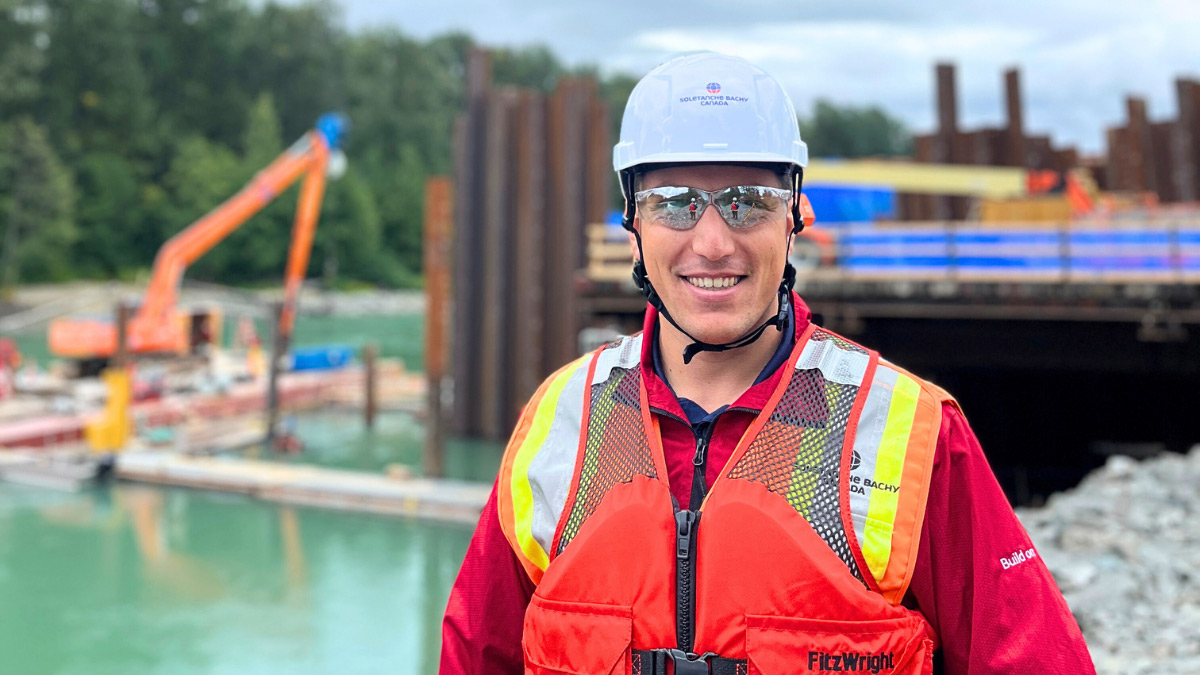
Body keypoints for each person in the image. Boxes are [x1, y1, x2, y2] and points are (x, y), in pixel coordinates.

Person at [440, 52, 1094, 674]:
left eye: (748, 200)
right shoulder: (559, 425)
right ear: (632, 220)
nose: (713, 241)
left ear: (793, 217)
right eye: (674, 202)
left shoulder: (909, 434)